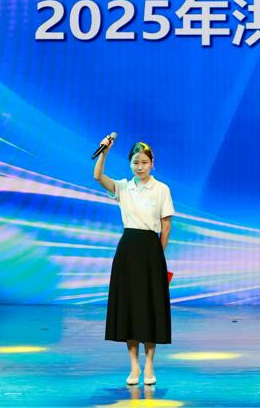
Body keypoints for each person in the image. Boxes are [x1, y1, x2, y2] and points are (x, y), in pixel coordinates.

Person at [93, 138, 174, 386]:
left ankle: (149, 365)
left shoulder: (161, 189)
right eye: (135, 162)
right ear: (130, 164)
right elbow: (98, 177)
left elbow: (166, 226)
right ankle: (134, 367)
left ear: (152, 163)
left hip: (151, 250)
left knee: (150, 309)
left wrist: (158, 255)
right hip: (127, 250)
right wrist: (104, 152)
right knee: (130, 308)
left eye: (144, 162)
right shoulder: (123, 187)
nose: (140, 167)